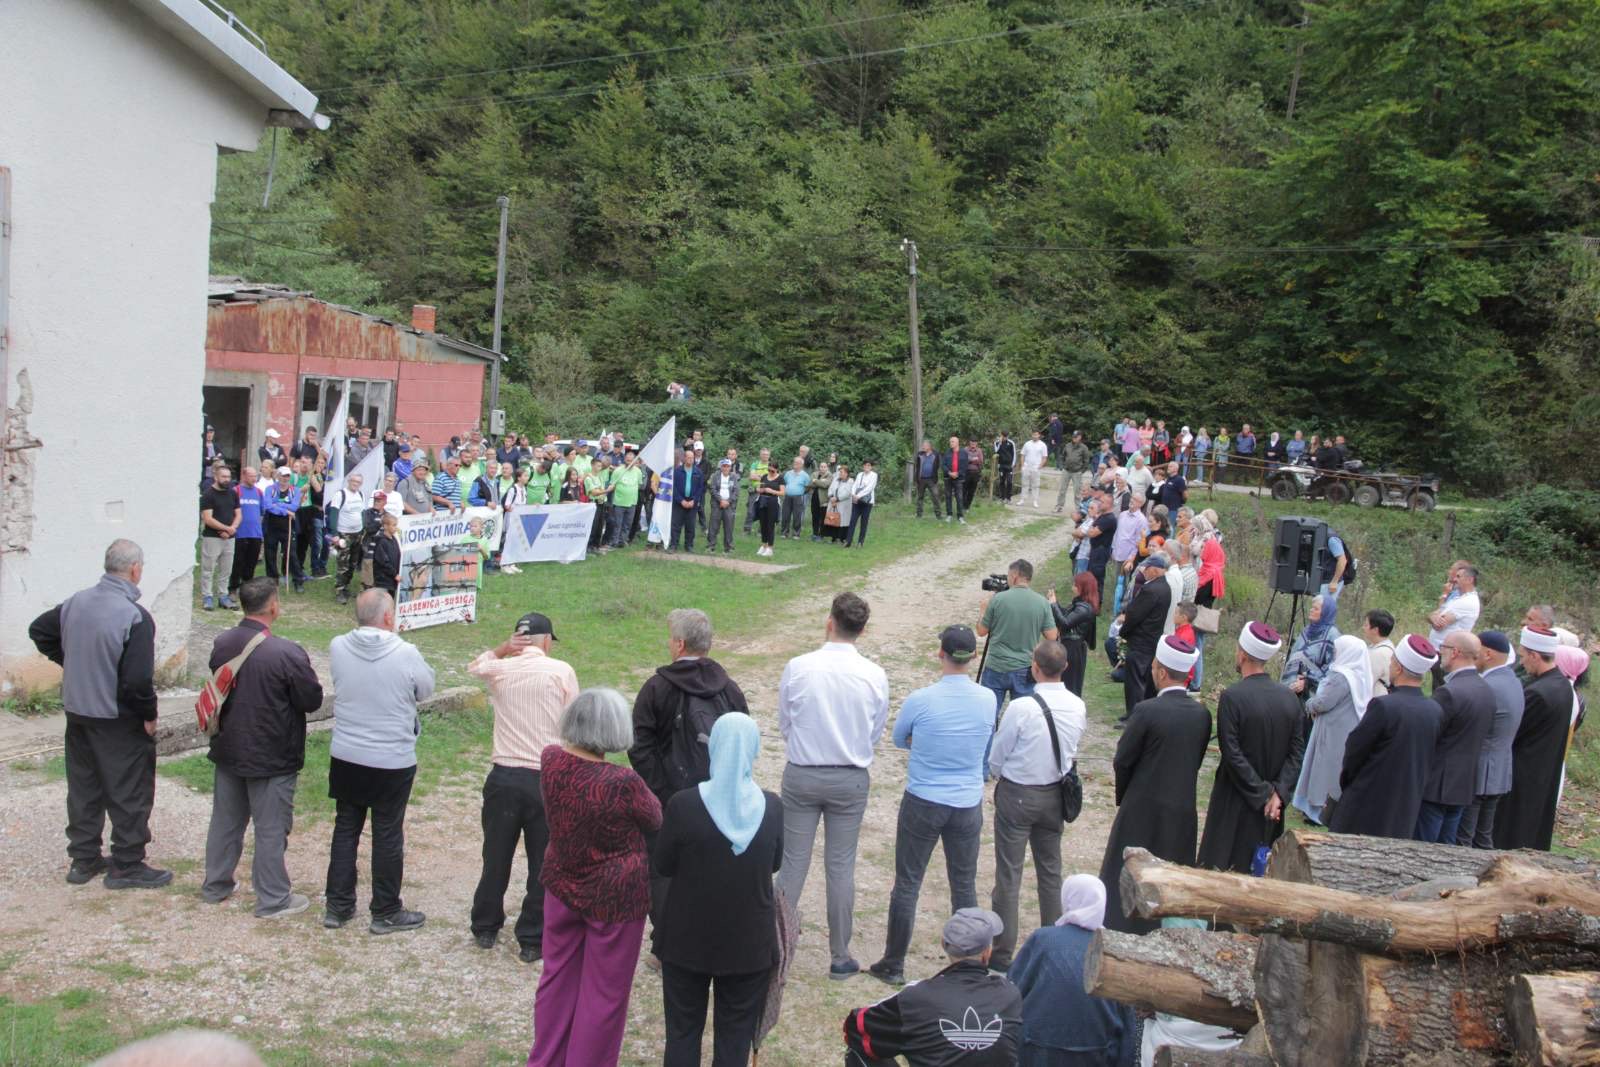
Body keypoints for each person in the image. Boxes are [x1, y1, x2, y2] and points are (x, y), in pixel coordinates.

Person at [526, 689, 661, 1067]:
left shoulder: (551, 759)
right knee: (604, 994)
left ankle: (546, 1059)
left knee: (556, 978)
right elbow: (655, 818)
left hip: (562, 882)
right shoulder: (623, 782)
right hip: (614, 896)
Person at [28, 540, 168, 889]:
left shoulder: (76, 602)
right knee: (130, 788)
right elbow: (137, 681)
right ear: (135, 570)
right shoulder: (135, 616)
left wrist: (74, 662)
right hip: (116, 716)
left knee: (84, 787)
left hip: (78, 711)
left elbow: (40, 630)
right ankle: (127, 863)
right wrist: (149, 713)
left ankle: (83, 858)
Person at [869, 625, 995, 986]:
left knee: (908, 882)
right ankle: (968, 963)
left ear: (940, 653)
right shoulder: (987, 698)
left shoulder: (921, 699)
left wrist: (925, 744)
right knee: (964, 884)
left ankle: (894, 962)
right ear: (972, 657)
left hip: (924, 797)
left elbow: (899, 738)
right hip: (966, 801)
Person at [654, 714, 783, 1067]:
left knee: (682, 1031)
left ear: (714, 748)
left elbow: (662, 865)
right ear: (754, 750)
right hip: (748, 942)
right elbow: (774, 864)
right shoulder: (771, 807)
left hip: (686, 938)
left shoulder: (684, 804)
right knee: (734, 1038)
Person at [776, 593, 890, 979]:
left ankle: (777, 947)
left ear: (830, 622)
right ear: (863, 630)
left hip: (804, 771)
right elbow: (875, 730)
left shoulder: (799, 666)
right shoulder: (874, 674)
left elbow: (785, 721)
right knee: (840, 866)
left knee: (793, 862)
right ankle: (840, 955)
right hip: (848, 775)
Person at [200, 578, 323, 917]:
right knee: (270, 829)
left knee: (225, 822)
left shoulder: (223, 642)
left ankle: (216, 884)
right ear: (273, 606)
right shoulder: (286, 652)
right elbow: (310, 699)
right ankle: (273, 898)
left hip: (228, 747)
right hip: (272, 753)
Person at [465, 612, 577, 963]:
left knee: (495, 855)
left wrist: (501, 650)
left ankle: (485, 925)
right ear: (546, 640)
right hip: (546, 777)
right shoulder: (561, 671)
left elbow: (475, 667)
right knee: (543, 860)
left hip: (504, 776)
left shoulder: (501, 670)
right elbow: (575, 725)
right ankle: (531, 937)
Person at [323, 590, 435, 933]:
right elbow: (426, 689)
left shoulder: (338, 646)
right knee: (387, 833)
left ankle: (338, 907)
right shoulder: (405, 652)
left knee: (346, 827)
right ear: (389, 618)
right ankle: (385, 910)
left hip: (347, 752)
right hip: (391, 757)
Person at [986, 639, 1085, 972]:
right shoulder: (1077, 705)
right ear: (1066, 668)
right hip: (1054, 794)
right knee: (1050, 872)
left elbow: (998, 753)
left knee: (1009, 874)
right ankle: (1054, 947)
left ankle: (1002, 954)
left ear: (1034, 668)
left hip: (1018, 793)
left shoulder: (1021, 708)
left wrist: (998, 773)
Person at [1099, 636, 1209, 932]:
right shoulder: (1202, 714)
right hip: (1182, 808)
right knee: (1170, 878)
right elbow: (1195, 759)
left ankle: (1122, 926)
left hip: (1142, 805)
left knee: (1127, 873)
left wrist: (1126, 794)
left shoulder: (1146, 711)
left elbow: (1123, 760)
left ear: (1160, 671)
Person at [843, 908, 1023, 1067]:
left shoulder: (916, 996)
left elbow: (856, 1026)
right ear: (987, 952)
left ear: (943, 944)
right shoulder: (1010, 994)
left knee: (858, 1050)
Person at [1196, 622, 1306, 872]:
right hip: (1271, 806)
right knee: (1259, 867)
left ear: (1242, 653)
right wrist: (1278, 793)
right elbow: (1297, 753)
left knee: (1222, 865)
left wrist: (1264, 793)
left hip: (1235, 797)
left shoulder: (1233, 697)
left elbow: (1232, 752)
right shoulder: (1289, 698)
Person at [1008, 876, 1139, 1066]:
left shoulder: (1043, 940)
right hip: (1097, 1053)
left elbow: (1013, 991)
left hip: (1037, 1050)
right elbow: (1127, 1024)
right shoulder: (1115, 950)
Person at [1328, 636, 1442, 839]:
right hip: (1405, 806)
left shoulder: (1384, 706)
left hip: (1368, 802)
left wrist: (1349, 783)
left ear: (1397, 667)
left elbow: (1355, 750)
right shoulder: (1434, 710)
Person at [1493, 626, 1575, 851]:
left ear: (1535, 656)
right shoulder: (1562, 686)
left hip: (1523, 771)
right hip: (1544, 770)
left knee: (1511, 831)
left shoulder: (1538, 693)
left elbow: (1514, 731)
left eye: (1523, 656)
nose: (1522, 663)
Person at [1415, 632, 1496, 843]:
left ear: (1455, 652)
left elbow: (1428, 734)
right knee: (1448, 848)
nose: (1440, 651)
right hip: (1464, 783)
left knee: (1424, 847)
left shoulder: (1449, 692)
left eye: (1444, 647)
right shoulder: (1486, 690)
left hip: (1437, 783)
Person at [1290, 635, 1372, 826]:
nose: (1335, 653)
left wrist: (1308, 703)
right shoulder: (1356, 675)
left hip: (1333, 730)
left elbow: (1323, 702)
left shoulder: (1342, 677)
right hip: (1343, 728)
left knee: (1324, 769)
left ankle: (1318, 810)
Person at [1457, 631, 1525, 848]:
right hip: (1499, 769)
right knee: (1483, 837)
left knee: (1465, 838)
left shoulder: (1489, 686)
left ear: (1487, 654)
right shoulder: (1512, 681)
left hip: (1480, 771)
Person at [977, 560, 1060, 714]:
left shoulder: (998, 599)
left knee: (988, 716)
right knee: (1024, 717)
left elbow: (981, 631)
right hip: (1025, 668)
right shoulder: (1042, 603)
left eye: (1009, 576)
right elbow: (1052, 636)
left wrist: (983, 610)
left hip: (997, 665)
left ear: (1015, 576)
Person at [1114, 554, 1172, 719]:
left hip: (1141, 641)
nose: (1143, 572)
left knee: (1135, 681)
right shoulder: (1165, 587)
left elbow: (1135, 614)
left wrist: (1123, 632)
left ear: (1154, 570)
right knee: (1145, 679)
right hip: (1152, 640)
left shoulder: (1150, 589)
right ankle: (1137, 713)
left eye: (1146, 569)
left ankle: (1134, 715)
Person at [1046, 573, 1099, 697]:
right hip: (1070, 647)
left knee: (1071, 685)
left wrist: (1053, 605)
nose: (1073, 588)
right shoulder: (1080, 605)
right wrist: (1055, 603)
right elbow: (1066, 615)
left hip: (1074, 649)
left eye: (1075, 585)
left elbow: (1065, 623)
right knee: (1065, 683)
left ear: (1083, 588)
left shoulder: (1084, 609)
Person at [199, 462, 241, 611]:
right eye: (223, 476)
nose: (226, 479)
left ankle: (223, 596)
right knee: (208, 568)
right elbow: (208, 518)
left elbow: (238, 513)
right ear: (216, 477)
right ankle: (207, 596)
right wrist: (226, 529)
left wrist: (232, 529)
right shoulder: (208, 495)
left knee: (226, 569)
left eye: (228, 477)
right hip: (212, 537)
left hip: (229, 537)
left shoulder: (232, 493)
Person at [1282, 594, 1340, 698]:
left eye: (1316, 609)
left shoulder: (1332, 635)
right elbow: (1294, 655)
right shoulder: (1307, 630)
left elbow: (1332, 668)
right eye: (1312, 607)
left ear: (1325, 613)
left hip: (1312, 693)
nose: (1311, 610)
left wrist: (1307, 682)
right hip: (1292, 688)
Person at [325, 473, 367, 606]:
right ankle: (339, 590)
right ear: (349, 481)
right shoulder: (340, 494)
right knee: (343, 563)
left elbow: (363, 512)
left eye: (358, 482)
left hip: (358, 533)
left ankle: (346, 586)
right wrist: (335, 533)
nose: (356, 483)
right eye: (354, 481)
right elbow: (333, 513)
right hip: (344, 534)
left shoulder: (361, 495)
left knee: (353, 563)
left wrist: (363, 527)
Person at [262, 466, 304, 591]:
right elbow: (268, 506)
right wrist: (285, 510)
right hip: (271, 526)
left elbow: (295, 506)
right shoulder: (270, 489)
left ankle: (298, 580)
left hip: (288, 526)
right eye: (283, 475)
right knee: (270, 554)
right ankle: (272, 579)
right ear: (278, 476)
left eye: (288, 476)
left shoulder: (295, 490)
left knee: (291, 554)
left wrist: (278, 506)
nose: (285, 478)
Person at [227, 466, 266, 598]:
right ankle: (232, 588)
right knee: (237, 562)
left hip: (255, 533)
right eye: (251, 476)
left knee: (251, 562)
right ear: (244, 476)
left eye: (255, 476)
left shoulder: (259, 492)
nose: (254, 479)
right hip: (239, 533)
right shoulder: (236, 491)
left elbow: (262, 510)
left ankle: (246, 587)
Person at [1108, 495, 1149, 617]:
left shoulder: (1141, 520)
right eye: (1131, 499)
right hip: (1118, 552)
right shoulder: (1123, 514)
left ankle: (1123, 610)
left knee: (1127, 583)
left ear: (1141, 504)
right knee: (1117, 581)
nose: (1131, 501)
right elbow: (1117, 533)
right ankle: (1116, 605)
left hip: (1129, 556)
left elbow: (1139, 540)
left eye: (1135, 500)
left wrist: (1131, 557)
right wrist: (1113, 549)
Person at [668, 448, 703, 553]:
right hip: (679, 502)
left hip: (692, 502)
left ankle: (689, 545)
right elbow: (673, 488)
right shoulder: (677, 471)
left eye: (692, 458)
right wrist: (681, 500)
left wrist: (694, 501)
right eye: (688, 457)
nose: (690, 459)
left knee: (690, 525)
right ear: (684, 458)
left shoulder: (698, 472)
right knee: (676, 525)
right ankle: (673, 545)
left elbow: (700, 489)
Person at [608, 450, 645, 549]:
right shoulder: (618, 471)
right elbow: (612, 485)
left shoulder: (638, 472)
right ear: (625, 459)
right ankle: (614, 541)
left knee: (627, 524)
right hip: (619, 502)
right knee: (617, 524)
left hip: (632, 502)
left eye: (631, 459)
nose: (629, 461)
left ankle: (622, 541)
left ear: (634, 460)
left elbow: (638, 485)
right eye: (627, 459)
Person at [705, 457, 741, 554]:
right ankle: (710, 546)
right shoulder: (716, 476)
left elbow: (736, 492)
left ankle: (728, 548)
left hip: (729, 505)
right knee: (713, 526)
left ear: (730, 467)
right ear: (721, 467)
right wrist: (720, 500)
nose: (725, 468)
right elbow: (712, 489)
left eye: (727, 466)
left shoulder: (734, 477)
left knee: (729, 526)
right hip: (717, 504)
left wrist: (728, 501)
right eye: (724, 466)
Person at [1054, 431, 1091, 513]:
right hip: (1066, 471)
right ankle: (1059, 506)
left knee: (1077, 492)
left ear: (1080, 437)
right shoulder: (1067, 445)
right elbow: (1063, 456)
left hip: (1077, 472)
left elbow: (1086, 460)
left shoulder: (1083, 447)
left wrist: (1082, 471)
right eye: (1073, 436)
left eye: (1076, 436)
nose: (1074, 438)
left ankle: (1079, 509)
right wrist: (1063, 466)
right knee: (1062, 490)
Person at [846, 459, 879, 548]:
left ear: (871, 467)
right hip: (856, 501)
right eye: (865, 465)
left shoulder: (874, 475)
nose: (867, 467)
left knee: (864, 522)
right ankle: (848, 541)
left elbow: (870, 488)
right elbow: (855, 485)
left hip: (867, 502)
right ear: (863, 466)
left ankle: (860, 542)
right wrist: (853, 495)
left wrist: (858, 496)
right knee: (852, 520)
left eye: (869, 465)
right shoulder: (860, 474)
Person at [1364, 609, 1397, 698]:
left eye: (1366, 625)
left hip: (1375, 698)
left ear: (1375, 630)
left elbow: (1366, 681)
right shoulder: (1387, 646)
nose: (1363, 628)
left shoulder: (1379, 654)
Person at [780, 455, 812, 539]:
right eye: (794, 462)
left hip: (798, 497)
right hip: (787, 497)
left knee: (797, 516)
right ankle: (784, 533)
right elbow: (785, 483)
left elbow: (808, 487)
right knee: (785, 515)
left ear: (801, 465)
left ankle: (796, 533)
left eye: (797, 463)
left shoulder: (805, 476)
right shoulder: (788, 473)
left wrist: (800, 492)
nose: (795, 464)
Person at [940, 435, 969, 524]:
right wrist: (949, 473)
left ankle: (960, 516)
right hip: (948, 477)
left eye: (952, 442)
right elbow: (943, 464)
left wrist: (957, 474)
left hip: (959, 478)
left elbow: (965, 466)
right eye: (950, 442)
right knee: (948, 496)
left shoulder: (963, 453)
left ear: (957, 443)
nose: (950, 443)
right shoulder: (947, 452)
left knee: (959, 497)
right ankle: (949, 515)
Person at [743, 447, 772, 535]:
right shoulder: (755, 464)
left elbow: (772, 478)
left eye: (767, 454)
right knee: (751, 510)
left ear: (769, 455)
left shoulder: (772, 465)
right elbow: (751, 476)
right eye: (763, 454)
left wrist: (758, 476)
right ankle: (747, 530)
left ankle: (761, 531)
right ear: (760, 455)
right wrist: (763, 477)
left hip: (766, 491)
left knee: (764, 511)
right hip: (755, 490)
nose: (765, 456)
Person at [825, 463, 855, 544]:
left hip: (843, 504)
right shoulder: (836, 480)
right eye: (839, 472)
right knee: (833, 519)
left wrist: (837, 499)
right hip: (833, 502)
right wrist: (831, 497)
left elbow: (847, 493)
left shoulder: (850, 481)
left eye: (841, 472)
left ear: (846, 473)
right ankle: (833, 538)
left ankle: (842, 538)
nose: (840, 474)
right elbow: (830, 489)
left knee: (843, 521)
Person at [1019, 431, 1049, 507]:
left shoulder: (1042, 445)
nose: (1034, 436)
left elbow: (1044, 457)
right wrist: (1022, 466)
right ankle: (1022, 499)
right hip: (1027, 466)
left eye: (1036, 434)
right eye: (1033, 434)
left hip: (1036, 467)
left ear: (1039, 435)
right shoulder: (1027, 443)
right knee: (1024, 484)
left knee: (1035, 485)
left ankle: (1035, 501)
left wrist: (1039, 466)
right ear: (1031, 435)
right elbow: (1022, 455)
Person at [915, 440, 942, 518]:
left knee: (935, 496)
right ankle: (919, 515)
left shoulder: (936, 454)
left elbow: (939, 465)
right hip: (921, 479)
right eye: (923, 445)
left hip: (932, 479)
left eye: (925, 445)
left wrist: (936, 476)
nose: (923, 447)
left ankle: (938, 515)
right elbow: (917, 466)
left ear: (930, 446)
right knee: (920, 497)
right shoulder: (919, 454)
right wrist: (916, 478)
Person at [995, 431, 1017, 503]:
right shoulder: (997, 442)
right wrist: (1000, 443)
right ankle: (1002, 498)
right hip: (1001, 465)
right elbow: (996, 451)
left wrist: (1013, 464)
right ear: (1001, 436)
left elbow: (1014, 453)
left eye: (1006, 436)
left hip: (1009, 465)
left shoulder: (1011, 443)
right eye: (1003, 436)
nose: (1004, 438)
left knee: (1010, 482)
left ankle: (1008, 498)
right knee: (1002, 481)